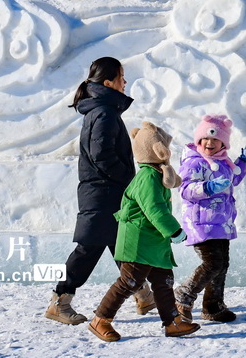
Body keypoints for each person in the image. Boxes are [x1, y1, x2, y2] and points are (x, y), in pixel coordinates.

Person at [45, 56, 138, 325]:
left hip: (105, 191)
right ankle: (60, 301)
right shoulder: (105, 113)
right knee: (88, 249)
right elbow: (102, 156)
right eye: (121, 77)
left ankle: (143, 294)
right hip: (103, 192)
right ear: (108, 83)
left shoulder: (102, 111)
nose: (125, 82)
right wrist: (128, 179)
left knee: (121, 245)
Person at [88, 121, 200, 340]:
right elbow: (154, 209)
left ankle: (172, 322)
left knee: (164, 282)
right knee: (129, 281)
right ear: (158, 150)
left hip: (154, 241)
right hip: (139, 241)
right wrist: (174, 230)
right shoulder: (147, 177)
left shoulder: (156, 175)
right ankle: (100, 319)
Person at [174, 114, 246, 323]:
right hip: (200, 222)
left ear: (223, 143)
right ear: (199, 140)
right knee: (213, 263)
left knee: (222, 264)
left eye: (215, 140)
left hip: (221, 222)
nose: (209, 143)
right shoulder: (194, 162)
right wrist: (208, 187)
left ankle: (213, 306)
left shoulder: (223, 162)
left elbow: (233, 179)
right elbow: (185, 189)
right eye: (205, 139)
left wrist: (243, 161)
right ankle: (183, 295)